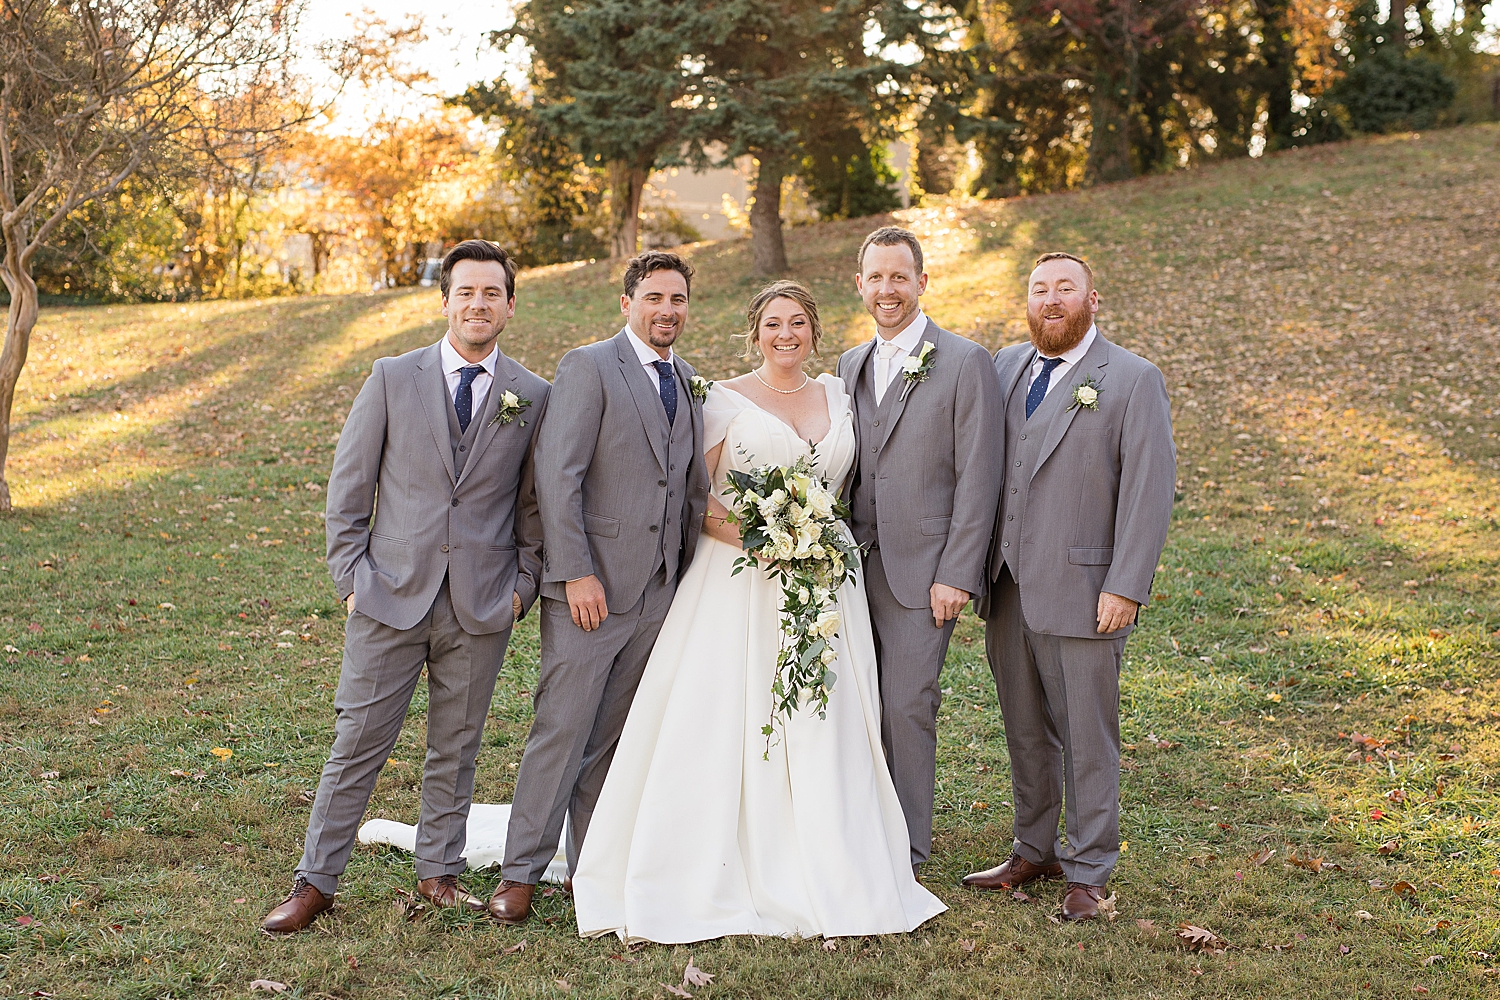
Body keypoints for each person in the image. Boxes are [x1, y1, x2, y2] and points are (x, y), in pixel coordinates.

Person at [571, 280, 946, 943]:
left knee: (824, 717)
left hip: (829, 584)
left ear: (814, 331)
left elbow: (846, 486)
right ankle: (725, 859)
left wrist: (813, 544)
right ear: (755, 331)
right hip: (741, 580)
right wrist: (770, 541)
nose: (786, 334)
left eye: (798, 322)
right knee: (732, 715)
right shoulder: (723, 400)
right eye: (773, 323)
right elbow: (701, 500)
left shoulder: (838, 394)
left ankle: (831, 857)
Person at [261, 240, 550, 933]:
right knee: (358, 739)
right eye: (465, 292)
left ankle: (438, 872)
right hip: (387, 596)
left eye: (491, 293)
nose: (477, 304)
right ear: (444, 300)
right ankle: (316, 881)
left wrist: (525, 586)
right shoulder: (392, 376)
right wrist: (350, 580)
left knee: (458, 744)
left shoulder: (534, 395)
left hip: (481, 603)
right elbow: (348, 488)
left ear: (509, 304)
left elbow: (536, 505)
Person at [490, 251, 711, 925]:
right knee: (562, 729)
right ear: (627, 303)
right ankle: (521, 872)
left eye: (677, 299)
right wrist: (575, 572)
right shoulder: (589, 366)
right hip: (590, 590)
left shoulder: (691, 379)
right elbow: (558, 478)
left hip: (657, 593)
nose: (666, 310)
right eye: (653, 298)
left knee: (612, 739)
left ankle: (591, 866)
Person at [965, 252, 1175, 920]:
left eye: (1065, 289)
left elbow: (1148, 493)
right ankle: (1035, 847)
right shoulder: (1004, 367)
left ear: (1092, 299)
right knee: (1025, 728)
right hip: (1008, 585)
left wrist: (1127, 586)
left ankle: (1088, 872)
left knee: (1087, 735)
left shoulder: (1133, 379)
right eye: (1039, 289)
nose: (1051, 299)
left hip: (1088, 590)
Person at [834, 227, 1005, 874]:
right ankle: (861, 824)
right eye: (875, 278)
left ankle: (905, 846)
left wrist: (957, 572)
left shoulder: (964, 362)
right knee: (860, 699)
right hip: (852, 565)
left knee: (909, 702)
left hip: (925, 569)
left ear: (922, 282)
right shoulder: (849, 364)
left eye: (899, 277)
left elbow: (980, 475)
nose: (887, 290)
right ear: (860, 284)